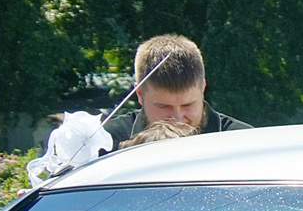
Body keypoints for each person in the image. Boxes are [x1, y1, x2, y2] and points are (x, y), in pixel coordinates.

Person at [103, 33, 251, 146]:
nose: (177, 118)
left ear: (203, 90)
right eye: (164, 106)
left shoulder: (241, 143)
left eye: (187, 105)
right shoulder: (107, 143)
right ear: (140, 94)